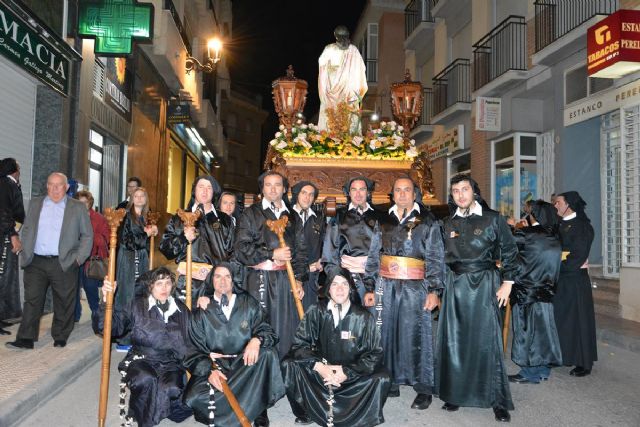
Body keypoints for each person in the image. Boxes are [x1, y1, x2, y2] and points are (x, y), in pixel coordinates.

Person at [435, 174, 519, 422]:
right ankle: (455, 393)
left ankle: (496, 399)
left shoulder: (493, 218)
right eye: (455, 191)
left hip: (485, 285)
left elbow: (510, 251)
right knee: (456, 341)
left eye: (464, 189)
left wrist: (508, 283)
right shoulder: (447, 223)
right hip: (455, 286)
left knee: (487, 341)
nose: (460, 195)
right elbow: (441, 258)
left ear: (474, 192)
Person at [365, 177, 444, 409]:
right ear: (392, 194)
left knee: (416, 334)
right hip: (386, 285)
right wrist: (370, 286)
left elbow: (436, 258)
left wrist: (434, 290)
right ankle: (391, 381)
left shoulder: (427, 221)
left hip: (415, 287)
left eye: (406, 190)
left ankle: (423, 387)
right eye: (397, 190)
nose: (402, 194)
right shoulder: (384, 220)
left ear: (414, 193)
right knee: (386, 333)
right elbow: (373, 255)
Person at [282, 271, 390, 426]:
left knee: (383, 377)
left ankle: (357, 415)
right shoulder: (316, 311)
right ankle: (306, 412)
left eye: (344, 284)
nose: (340, 289)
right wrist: (320, 367)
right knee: (288, 363)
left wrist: (346, 372)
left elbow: (375, 354)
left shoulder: (364, 317)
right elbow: (299, 345)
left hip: (351, 376)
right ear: (328, 290)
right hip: (320, 374)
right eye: (335, 284)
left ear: (351, 289)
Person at [184, 262, 285, 427]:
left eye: (227, 276)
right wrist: (209, 370)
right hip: (217, 366)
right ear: (212, 281)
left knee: (267, 354)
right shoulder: (201, 310)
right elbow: (192, 349)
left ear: (233, 281)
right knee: (193, 397)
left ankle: (259, 408)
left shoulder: (249, 303)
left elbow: (268, 331)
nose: (222, 281)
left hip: (245, 364)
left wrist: (256, 340)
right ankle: (251, 403)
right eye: (218, 276)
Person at [6, 172, 93, 350]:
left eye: (59, 185)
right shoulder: (35, 203)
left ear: (66, 187)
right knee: (32, 300)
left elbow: (87, 235)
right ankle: (25, 338)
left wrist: (77, 259)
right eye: (51, 184)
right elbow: (28, 227)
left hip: (64, 261)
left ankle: (60, 335)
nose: (54, 189)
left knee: (63, 301)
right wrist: (24, 250)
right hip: (35, 261)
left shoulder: (77, 207)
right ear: (46, 186)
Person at [99, 267, 193, 427]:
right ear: (150, 286)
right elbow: (112, 328)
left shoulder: (181, 309)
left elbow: (193, 337)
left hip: (170, 362)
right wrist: (106, 301)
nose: (164, 288)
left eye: (168, 283)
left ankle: (149, 408)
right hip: (141, 359)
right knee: (146, 380)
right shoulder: (136, 306)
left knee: (172, 389)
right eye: (159, 283)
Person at [234, 171, 307, 359]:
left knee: (286, 327)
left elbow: (300, 250)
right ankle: (260, 373)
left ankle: (283, 376)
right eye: (268, 184)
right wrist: (271, 253)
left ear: (284, 189)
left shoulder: (292, 215)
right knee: (260, 326)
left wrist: (298, 280)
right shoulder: (250, 214)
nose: (273, 189)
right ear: (262, 189)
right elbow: (241, 249)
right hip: (259, 279)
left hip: (286, 280)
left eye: (278, 185)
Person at [508, 200, 563, 384]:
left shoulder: (526, 234)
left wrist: (511, 227)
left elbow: (507, 250)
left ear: (534, 216)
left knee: (527, 334)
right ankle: (543, 370)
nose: (526, 216)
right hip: (546, 292)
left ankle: (529, 373)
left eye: (529, 214)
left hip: (527, 291)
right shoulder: (554, 237)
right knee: (542, 333)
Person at [160, 175, 235, 308]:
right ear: (194, 190)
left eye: (209, 188)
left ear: (214, 192)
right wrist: (183, 238)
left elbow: (233, 253)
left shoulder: (225, 220)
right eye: (201, 187)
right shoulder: (180, 218)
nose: (205, 191)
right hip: (187, 283)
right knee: (184, 323)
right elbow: (166, 249)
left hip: (216, 283)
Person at [553, 191, 597, 377]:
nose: (555, 205)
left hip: (574, 278)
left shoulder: (582, 227)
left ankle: (583, 362)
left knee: (578, 320)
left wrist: (556, 265)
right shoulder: (558, 224)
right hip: (560, 277)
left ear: (569, 204)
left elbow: (578, 255)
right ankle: (564, 355)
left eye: (558, 202)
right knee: (563, 319)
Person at [323, 177, 383, 307]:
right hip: (347, 276)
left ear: (368, 192)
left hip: (376, 276)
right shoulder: (338, 216)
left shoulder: (380, 216)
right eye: (354, 189)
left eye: (362, 189)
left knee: (373, 320)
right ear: (348, 193)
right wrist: (336, 278)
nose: (358, 193)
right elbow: (329, 251)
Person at [114, 187, 157, 350]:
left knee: (141, 296)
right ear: (132, 198)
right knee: (126, 296)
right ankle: (123, 338)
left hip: (142, 259)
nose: (139, 199)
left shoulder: (147, 216)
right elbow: (127, 240)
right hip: (128, 259)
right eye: (136, 196)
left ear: (146, 199)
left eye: (142, 196)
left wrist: (153, 231)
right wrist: (146, 234)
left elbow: (147, 240)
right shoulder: (126, 215)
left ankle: (138, 335)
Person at [318, 25, 368, 135]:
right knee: (333, 116)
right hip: (333, 91)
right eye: (342, 37)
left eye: (344, 37)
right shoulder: (330, 49)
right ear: (336, 37)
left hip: (348, 92)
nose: (343, 40)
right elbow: (323, 69)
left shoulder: (352, 50)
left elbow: (360, 69)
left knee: (348, 116)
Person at [73, 190, 109, 326]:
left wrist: (91, 236)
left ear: (90, 203)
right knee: (73, 287)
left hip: (91, 260)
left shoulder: (99, 218)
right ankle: (75, 315)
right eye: (79, 202)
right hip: (75, 258)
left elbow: (106, 239)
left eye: (85, 202)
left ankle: (97, 315)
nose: (82, 204)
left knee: (90, 288)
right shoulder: (72, 217)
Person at [291, 181, 326, 309]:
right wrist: (305, 268)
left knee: (310, 315)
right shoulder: (287, 216)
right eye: (304, 193)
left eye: (311, 195)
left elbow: (325, 243)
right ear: (296, 194)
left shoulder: (319, 218)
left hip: (312, 277)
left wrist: (322, 260)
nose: (307, 197)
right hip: (291, 275)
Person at [0, 158, 25, 335]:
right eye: (18, 166)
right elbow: (3, 212)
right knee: (2, 277)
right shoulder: (5, 184)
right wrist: (13, 234)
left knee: (5, 279)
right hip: (4, 237)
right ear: (14, 170)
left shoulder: (10, 184)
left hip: (5, 235)